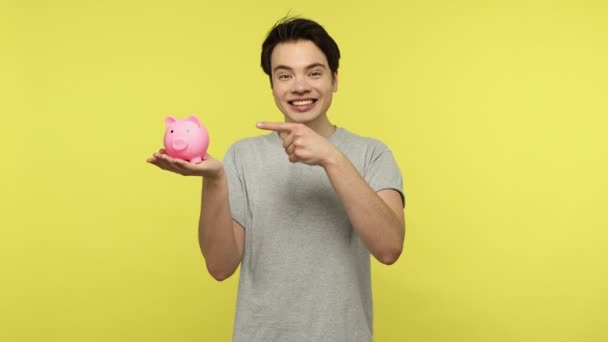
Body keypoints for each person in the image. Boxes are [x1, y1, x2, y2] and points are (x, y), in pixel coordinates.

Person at [147, 16, 405, 342]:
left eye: (314, 72)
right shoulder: (241, 157)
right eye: (285, 75)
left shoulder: (372, 154)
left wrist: (331, 157)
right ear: (272, 84)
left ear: (335, 79)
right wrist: (214, 180)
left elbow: (388, 248)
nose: (299, 86)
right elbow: (219, 267)